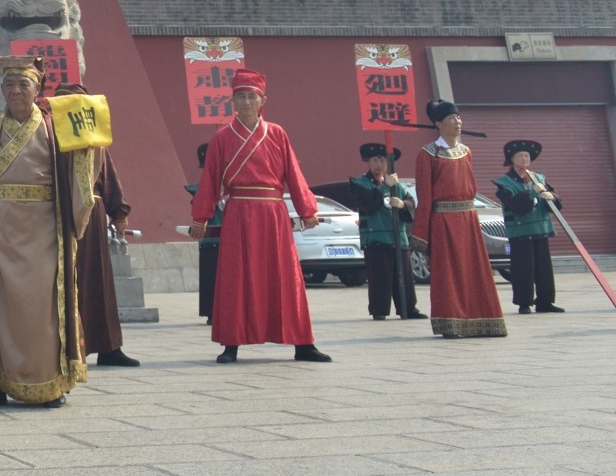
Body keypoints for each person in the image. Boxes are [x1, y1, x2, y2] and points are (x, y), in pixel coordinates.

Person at [0, 55, 91, 409]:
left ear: (37, 89)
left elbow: (78, 171)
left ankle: (50, 382)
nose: (17, 91)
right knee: (2, 307)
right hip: (3, 231)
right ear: (2, 90)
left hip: (45, 230)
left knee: (45, 307)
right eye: (10, 85)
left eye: (24, 84)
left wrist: (85, 148)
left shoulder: (55, 130)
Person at [190, 69, 333, 364]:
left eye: (251, 96)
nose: (246, 102)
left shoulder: (277, 133)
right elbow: (210, 179)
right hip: (239, 212)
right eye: (240, 96)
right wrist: (200, 217)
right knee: (236, 277)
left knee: (285, 276)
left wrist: (307, 210)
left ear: (262, 100)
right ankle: (231, 343)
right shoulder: (222, 138)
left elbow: (293, 173)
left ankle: (302, 343)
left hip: (273, 213)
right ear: (233, 101)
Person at [59, 83, 139, 367]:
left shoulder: (94, 139)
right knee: (64, 280)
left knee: (98, 281)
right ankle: (64, 347)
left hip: (91, 217)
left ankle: (108, 347)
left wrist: (119, 212)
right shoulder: (46, 135)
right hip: (58, 214)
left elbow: (107, 174)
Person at [415, 100, 507, 338]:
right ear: (438, 124)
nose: (457, 123)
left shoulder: (466, 152)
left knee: (475, 268)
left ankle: (483, 319)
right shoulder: (428, 154)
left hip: (468, 217)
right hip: (444, 220)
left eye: (458, 118)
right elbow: (425, 197)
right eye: (451, 119)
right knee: (449, 272)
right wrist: (423, 233)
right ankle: (452, 323)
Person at [345, 144, 423, 321]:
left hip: (398, 237)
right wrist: (383, 188)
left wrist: (403, 205)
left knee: (404, 275)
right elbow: (368, 205)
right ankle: (379, 309)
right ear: (368, 162)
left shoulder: (398, 186)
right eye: (375, 160)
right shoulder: (359, 183)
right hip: (375, 238)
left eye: (382, 160)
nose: (379, 164)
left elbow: (411, 204)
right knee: (380, 277)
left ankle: (409, 308)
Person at [495, 140, 564, 315]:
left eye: (527, 155)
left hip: (541, 229)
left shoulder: (538, 177)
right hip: (520, 232)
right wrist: (534, 193)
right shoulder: (505, 182)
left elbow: (555, 200)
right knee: (523, 268)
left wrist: (551, 196)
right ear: (512, 159)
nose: (525, 158)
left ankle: (545, 302)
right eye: (520, 155)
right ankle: (524, 303)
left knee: (544, 268)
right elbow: (515, 204)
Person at [185, 145, 220, 323]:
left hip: (215, 239)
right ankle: (213, 313)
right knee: (214, 277)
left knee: (212, 277)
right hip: (213, 238)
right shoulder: (207, 187)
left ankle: (213, 313)